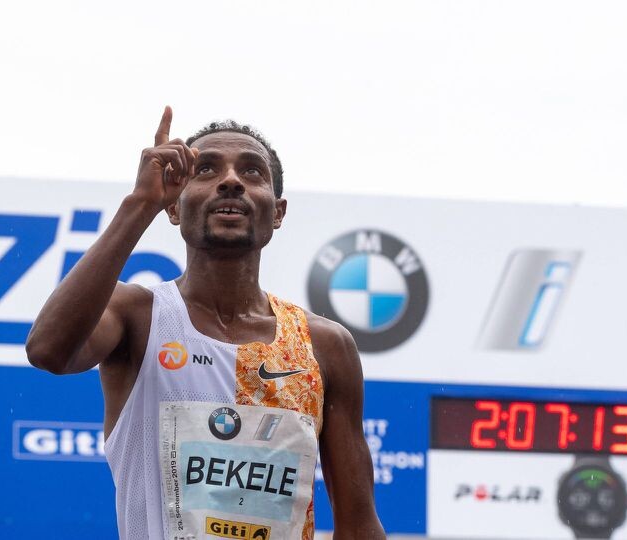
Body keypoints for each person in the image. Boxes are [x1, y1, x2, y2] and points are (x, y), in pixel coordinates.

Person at [26, 107, 386, 540]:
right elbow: (48, 351)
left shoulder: (324, 345)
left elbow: (360, 525)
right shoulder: (137, 315)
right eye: (207, 169)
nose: (230, 180)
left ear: (278, 212)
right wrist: (140, 204)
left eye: (251, 171)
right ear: (174, 207)